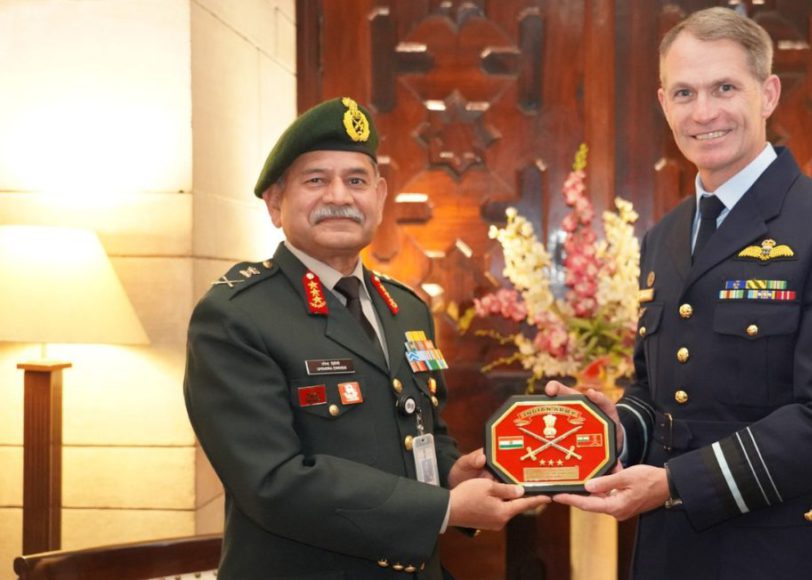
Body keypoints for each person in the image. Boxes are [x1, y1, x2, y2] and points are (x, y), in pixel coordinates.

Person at [550, 7, 812, 579]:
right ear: (663, 103)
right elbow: (658, 392)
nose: (703, 112)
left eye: (725, 88)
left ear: (768, 94)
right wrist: (615, 428)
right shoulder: (663, 235)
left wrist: (675, 484)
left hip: (779, 556)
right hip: (666, 554)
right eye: (684, 93)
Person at [184, 97, 549, 579]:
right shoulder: (236, 317)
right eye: (316, 180)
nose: (339, 195)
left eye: (356, 180)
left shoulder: (406, 308)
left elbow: (417, 432)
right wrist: (442, 509)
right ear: (275, 203)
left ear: (378, 197)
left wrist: (451, 473)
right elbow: (273, 482)